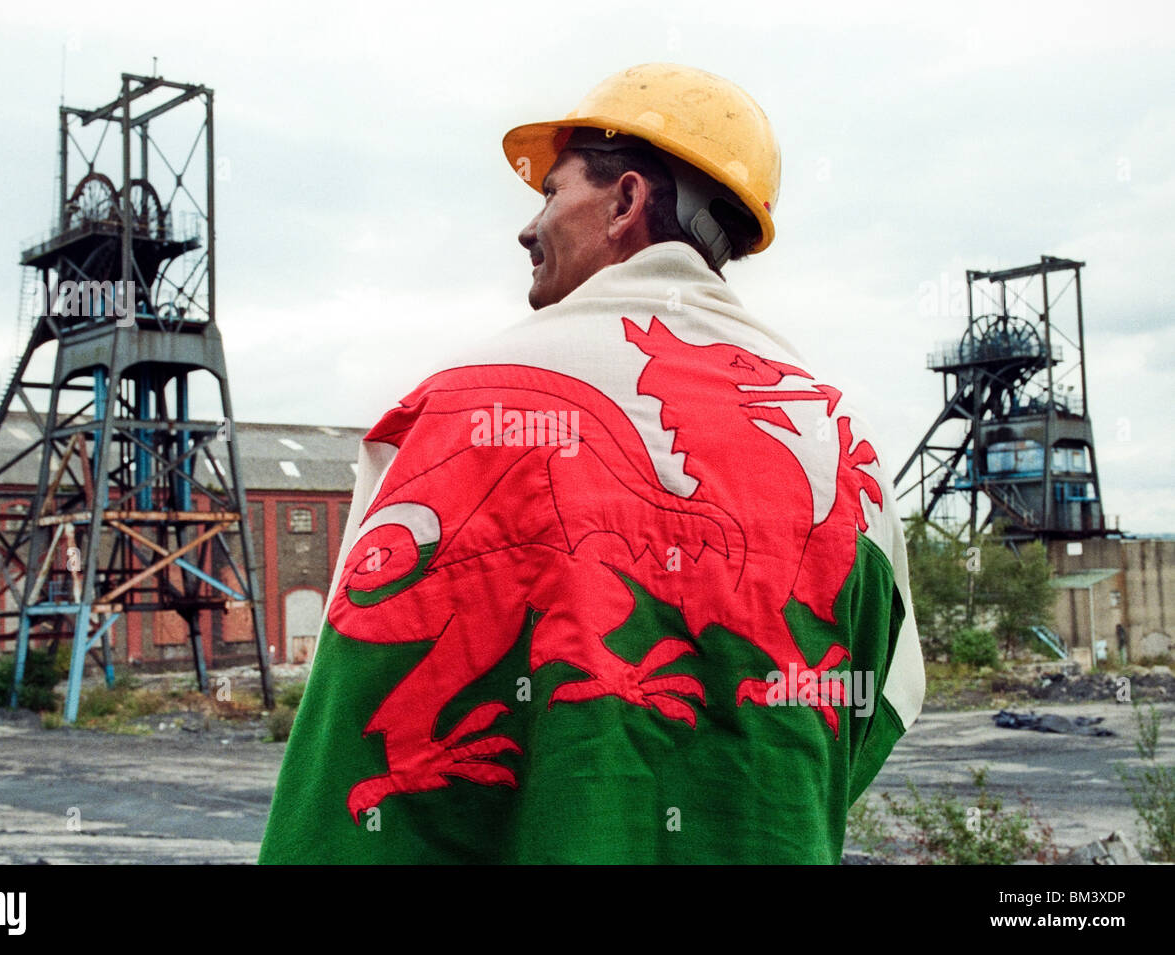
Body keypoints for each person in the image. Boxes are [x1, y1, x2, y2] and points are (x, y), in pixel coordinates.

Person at [260, 63, 924, 864]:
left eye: (550, 191)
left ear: (626, 201)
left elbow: (342, 739)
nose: (527, 226)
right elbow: (872, 717)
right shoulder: (846, 445)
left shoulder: (450, 415)